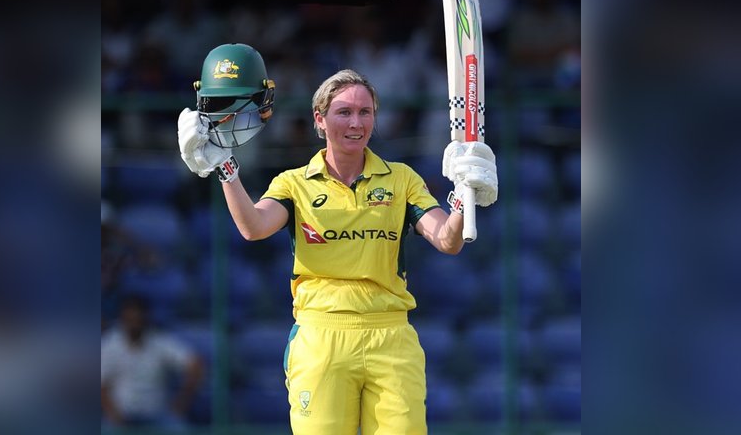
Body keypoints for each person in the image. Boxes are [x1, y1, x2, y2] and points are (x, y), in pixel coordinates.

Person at [178, 45, 498, 434]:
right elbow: (253, 227)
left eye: (365, 112)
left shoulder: (402, 179)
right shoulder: (294, 183)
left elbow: (448, 240)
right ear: (320, 119)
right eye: (344, 112)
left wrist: (466, 195)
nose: (355, 122)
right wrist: (225, 169)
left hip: (391, 335)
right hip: (321, 335)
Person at [101, 295, 204, 430]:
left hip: (156, 415)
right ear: (122, 319)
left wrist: (181, 402)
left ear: (145, 318)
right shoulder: (109, 345)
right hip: (121, 415)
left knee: (179, 429)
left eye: (138, 318)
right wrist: (112, 412)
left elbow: (195, 365)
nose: (134, 322)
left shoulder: (159, 342)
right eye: (130, 318)